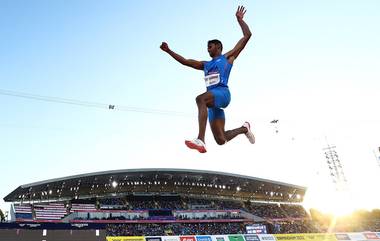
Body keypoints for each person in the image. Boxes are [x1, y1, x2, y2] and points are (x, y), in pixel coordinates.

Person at [160, 6, 255, 153]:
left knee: (200, 99)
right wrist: (169, 51)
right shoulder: (205, 65)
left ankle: (201, 139)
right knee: (221, 139)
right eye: (207, 47)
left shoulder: (228, 57)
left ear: (218, 47)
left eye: (210, 47)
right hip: (211, 104)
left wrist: (240, 20)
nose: (208, 49)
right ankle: (244, 129)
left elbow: (247, 36)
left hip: (222, 94)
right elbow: (186, 61)